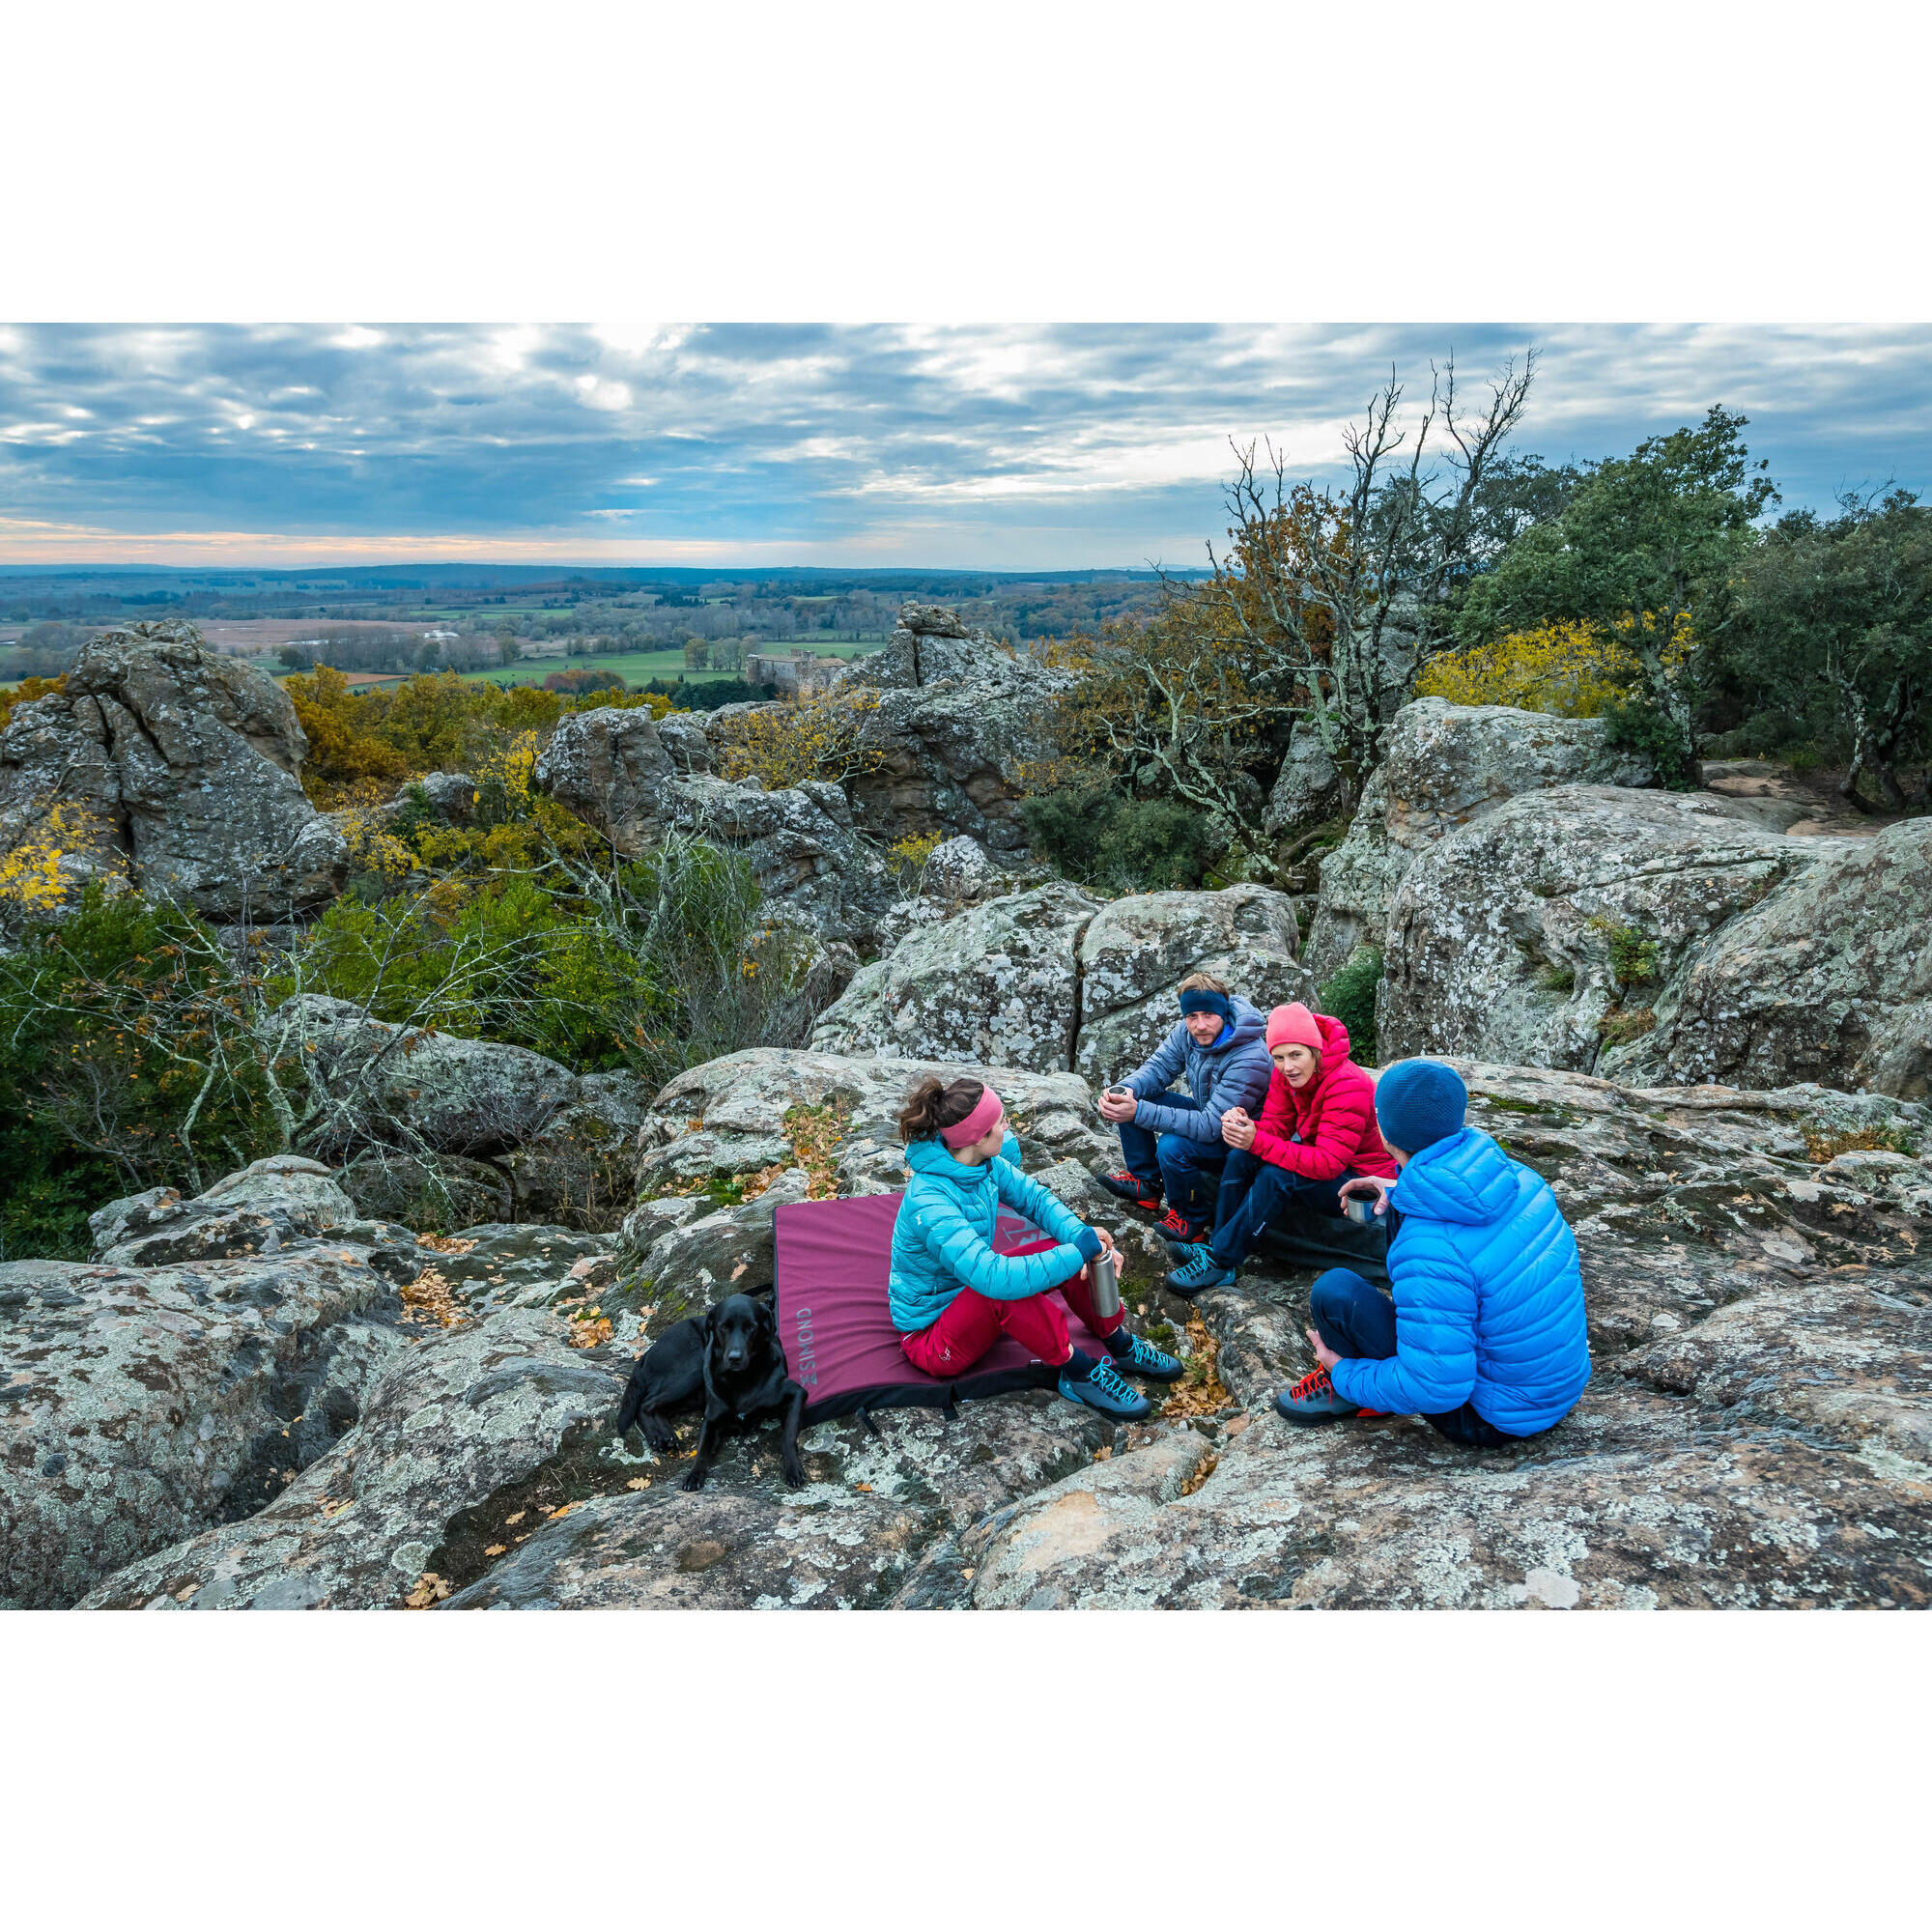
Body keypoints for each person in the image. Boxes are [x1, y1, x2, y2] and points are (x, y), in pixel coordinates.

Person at [1274, 1058, 1592, 1446]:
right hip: (1557, 1388)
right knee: (1403, 1221)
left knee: (1335, 1291)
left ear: (1385, 1133)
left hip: (1491, 1417)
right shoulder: (1522, 1177)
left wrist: (1343, 1371)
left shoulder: (1429, 1249)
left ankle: (1350, 1396)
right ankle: (1417, 1331)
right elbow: (1474, 1230)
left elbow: (1437, 1389)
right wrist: (1397, 1190)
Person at [891, 1073, 1182, 1422]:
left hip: (967, 1303)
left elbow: (1036, 1200)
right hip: (934, 1341)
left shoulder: (983, 1164)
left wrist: (1081, 1237)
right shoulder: (930, 1201)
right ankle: (1078, 1371)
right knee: (1001, 1286)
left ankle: (1117, 1343)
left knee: (1059, 1248)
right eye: (1001, 1122)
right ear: (978, 1137)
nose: (1006, 1127)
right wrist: (1079, 1250)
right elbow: (991, 1278)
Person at [1163, 1001, 1397, 1295]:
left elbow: (1328, 1163)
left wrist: (1257, 1140)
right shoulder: (1286, 1075)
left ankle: (1222, 1261)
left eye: (1296, 1055)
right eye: (1279, 1057)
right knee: (1240, 1153)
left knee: (1277, 1176)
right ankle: (1218, 1246)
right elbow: (1276, 1126)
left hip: (1360, 1183)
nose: (1288, 1066)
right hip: (1327, 1162)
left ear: (1315, 1051)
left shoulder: (1347, 1085)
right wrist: (1246, 1125)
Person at [1095, 973, 1272, 1244]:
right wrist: (1126, 1089)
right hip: (1211, 1116)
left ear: (1223, 1012)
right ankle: (1147, 1184)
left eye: (1208, 1015)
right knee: (1134, 1097)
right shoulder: (1187, 1033)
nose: (1200, 1025)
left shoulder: (1249, 1056)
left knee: (1172, 1146)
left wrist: (1138, 1111)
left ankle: (1191, 1221)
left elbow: (1212, 1126)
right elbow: (1158, 1068)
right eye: (1192, 1016)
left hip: (1241, 1140)